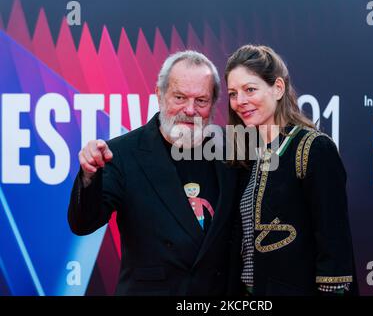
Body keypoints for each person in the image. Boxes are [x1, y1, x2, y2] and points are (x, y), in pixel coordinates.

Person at [68, 50, 241, 296]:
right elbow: (84, 223)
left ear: (213, 104)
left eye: (201, 100)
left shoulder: (233, 151)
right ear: (159, 95)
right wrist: (88, 177)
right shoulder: (122, 153)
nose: (190, 110)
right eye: (179, 97)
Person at [225, 44, 357, 296]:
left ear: (277, 88)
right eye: (233, 93)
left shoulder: (314, 148)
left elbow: (334, 244)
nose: (240, 101)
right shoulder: (246, 155)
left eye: (250, 89)